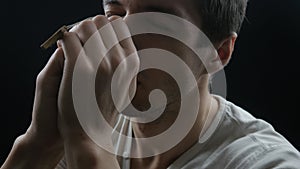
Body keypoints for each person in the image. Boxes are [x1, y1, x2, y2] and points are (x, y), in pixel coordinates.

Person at [1, 0, 300, 168]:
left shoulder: (269, 164)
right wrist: (40, 142)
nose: (121, 35)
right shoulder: (86, 121)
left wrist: (87, 144)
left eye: (157, 23)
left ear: (217, 54)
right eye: (114, 13)